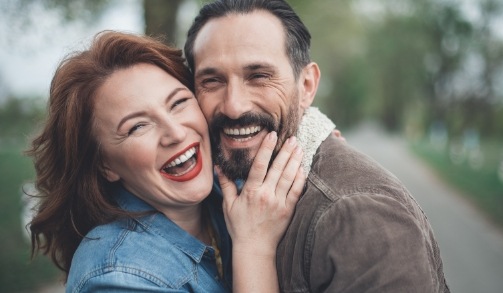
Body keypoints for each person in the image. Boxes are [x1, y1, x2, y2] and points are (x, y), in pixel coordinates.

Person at [184, 0, 450, 292]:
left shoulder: (357, 215)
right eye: (212, 80)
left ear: (307, 86)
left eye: (258, 76)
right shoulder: (218, 183)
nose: (234, 106)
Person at [27, 30, 307, 292]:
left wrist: (317, 136)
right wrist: (254, 247)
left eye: (178, 103)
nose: (175, 133)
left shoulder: (226, 184)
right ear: (105, 165)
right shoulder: (117, 277)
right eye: (137, 127)